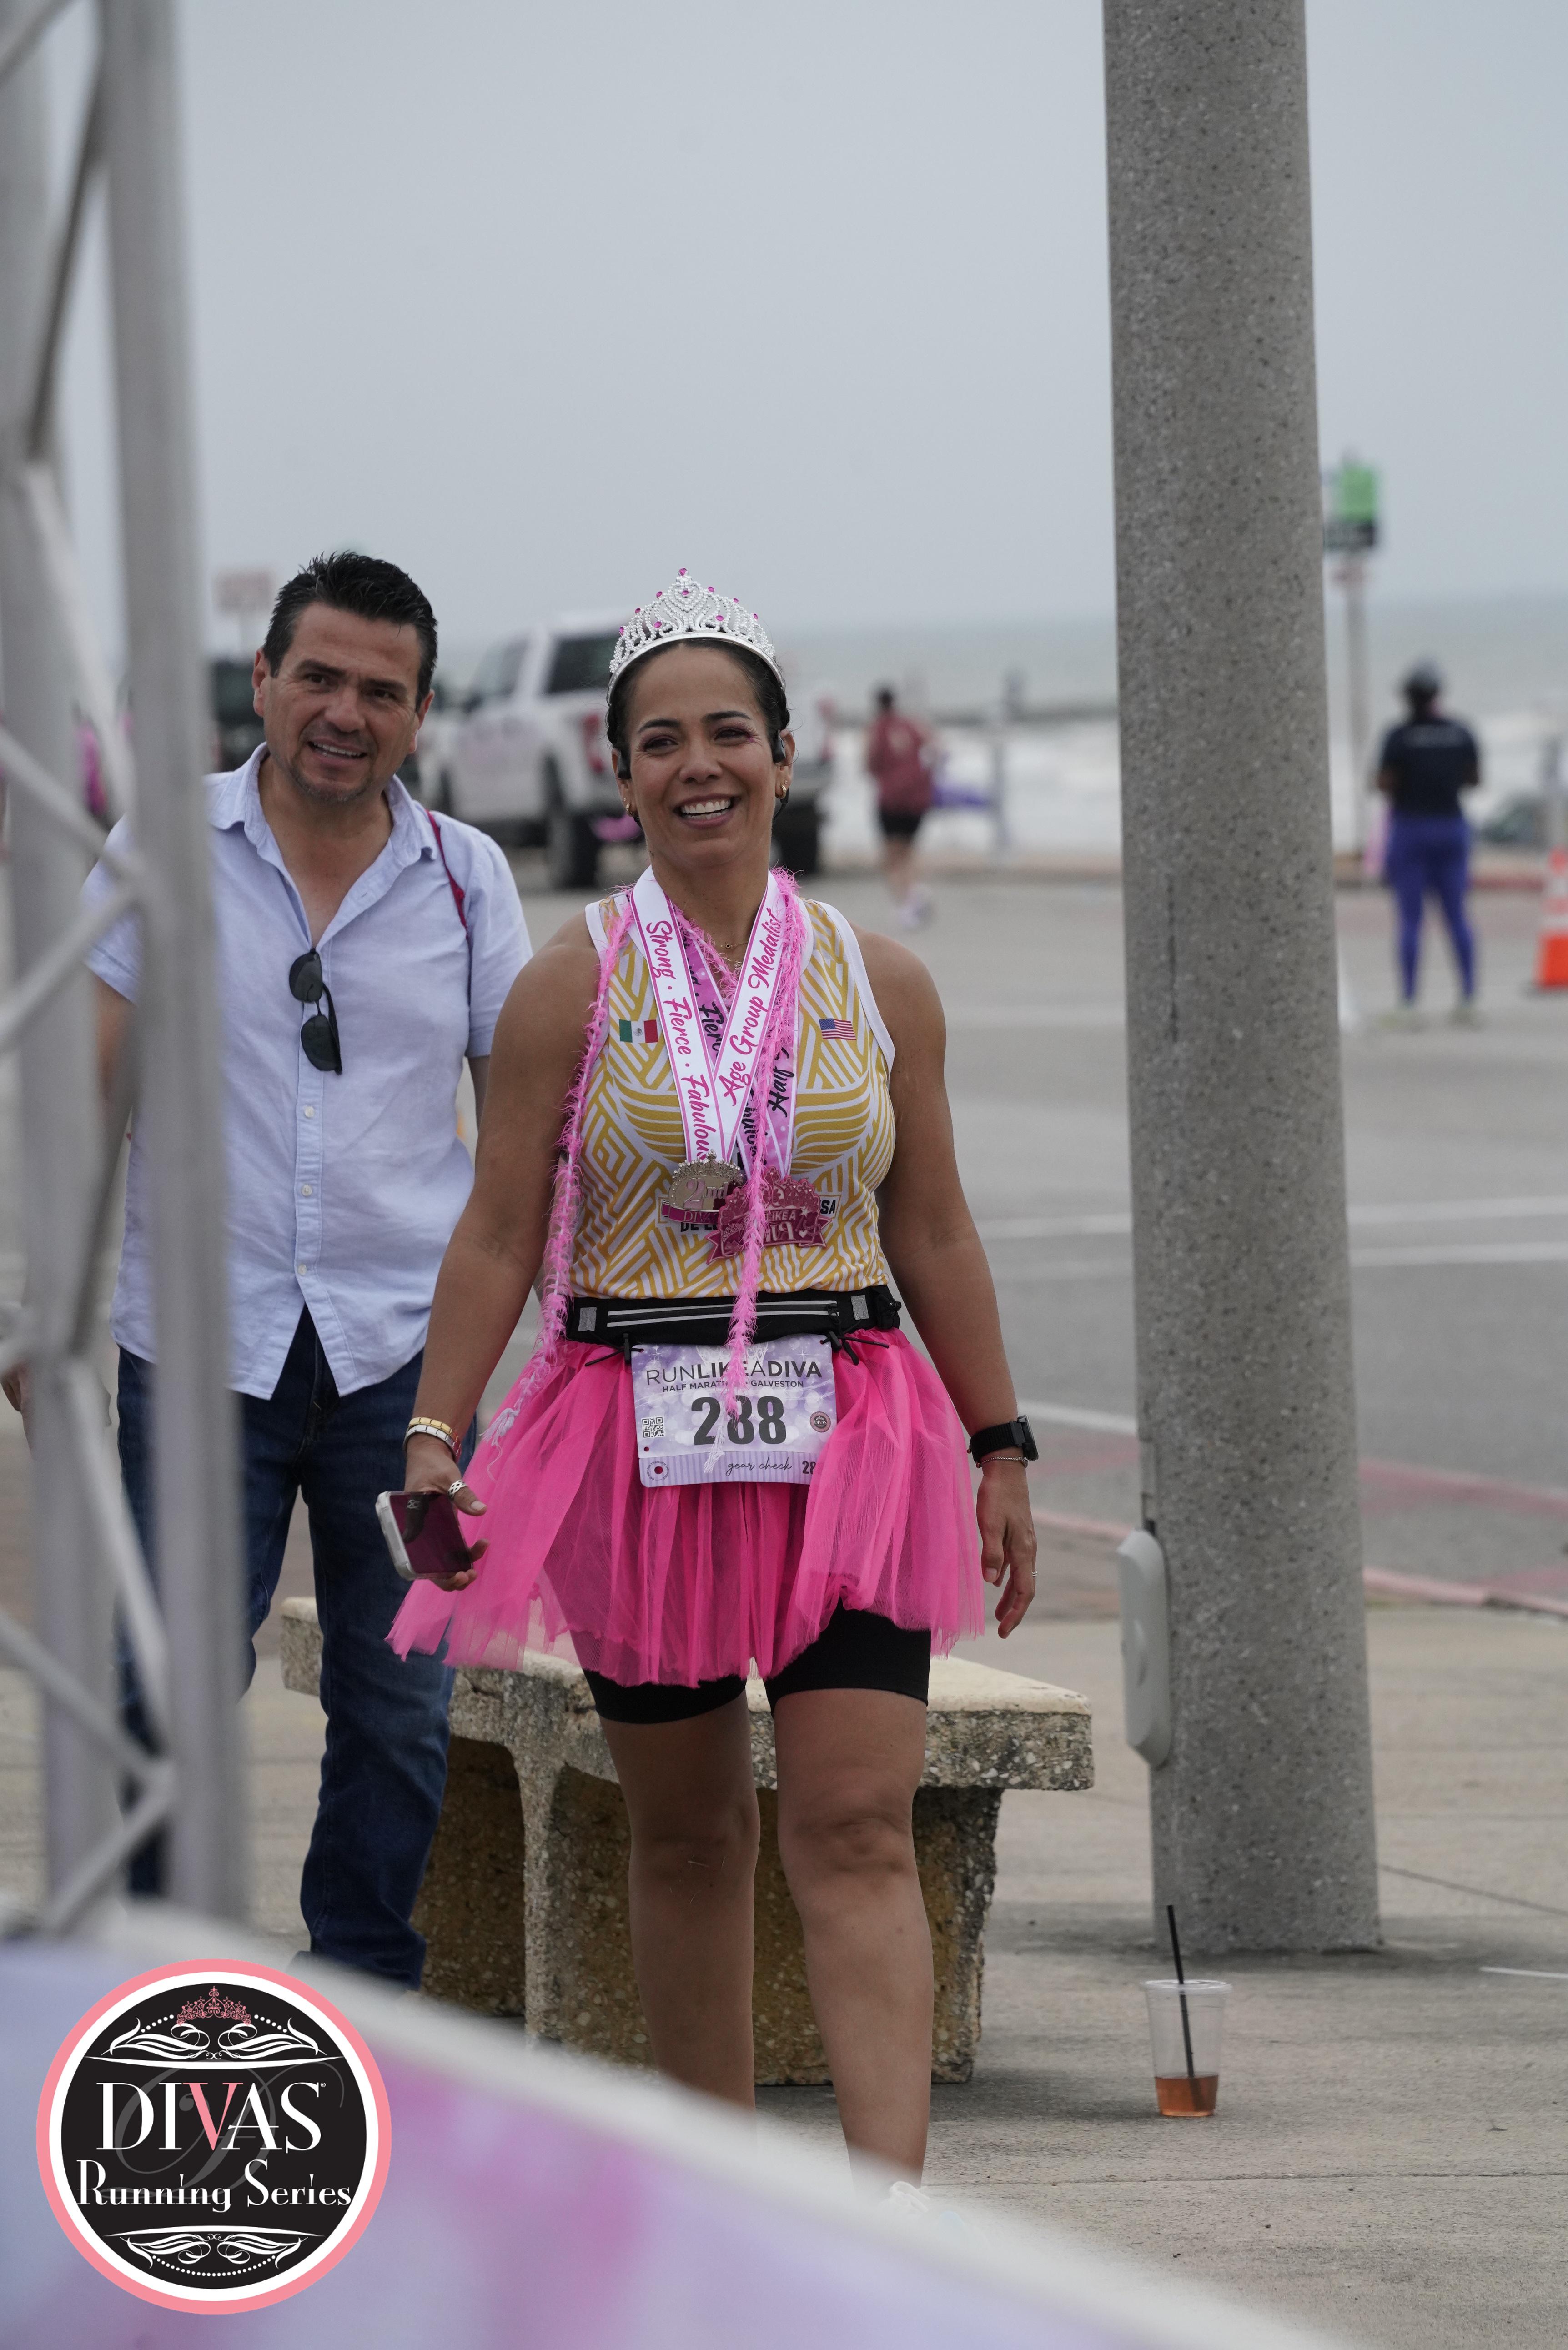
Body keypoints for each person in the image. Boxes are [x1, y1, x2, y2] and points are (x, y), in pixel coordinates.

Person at [391, 572, 1037, 2184]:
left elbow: (934, 1225)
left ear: (784, 754)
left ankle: (884, 2224)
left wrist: (1001, 1440)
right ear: (618, 773)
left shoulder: (880, 982)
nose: (701, 765)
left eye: (730, 732)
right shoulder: (568, 983)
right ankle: (723, 2210)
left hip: (851, 1432)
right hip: (633, 1436)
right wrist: (434, 1432)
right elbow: (497, 1232)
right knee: (687, 1833)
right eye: (663, 739)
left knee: (853, 1823)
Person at [79, 552, 528, 1984]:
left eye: (381, 692)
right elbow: (83, 1099)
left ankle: (362, 1997)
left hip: (405, 1368)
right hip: (195, 1350)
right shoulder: (161, 847)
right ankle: (150, 1986)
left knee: (400, 1709)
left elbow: (521, 1145)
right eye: (319, 677)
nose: (346, 712)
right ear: (264, 679)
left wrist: (494, 1379)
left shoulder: (467, 880)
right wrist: (41, 1315)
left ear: (422, 714)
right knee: (158, 1690)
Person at [1376, 662, 1481, 1023]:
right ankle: (1468, 998)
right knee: (1457, 915)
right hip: (1451, 825)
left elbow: (1384, 782)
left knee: (1410, 919)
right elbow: (1474, 779)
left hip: (1412, 827)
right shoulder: (1460, 732)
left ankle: (1409, 1002)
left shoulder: (1399, 736)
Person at [864, 685, 935, 927]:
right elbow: (935, 749)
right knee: (909, 850)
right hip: (916, 798)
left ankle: (906, 903)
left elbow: (869, 764)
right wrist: (925, 779)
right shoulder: (910, 725)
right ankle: (914, 894)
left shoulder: (878, 729)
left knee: (891, 856)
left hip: (891, 799)